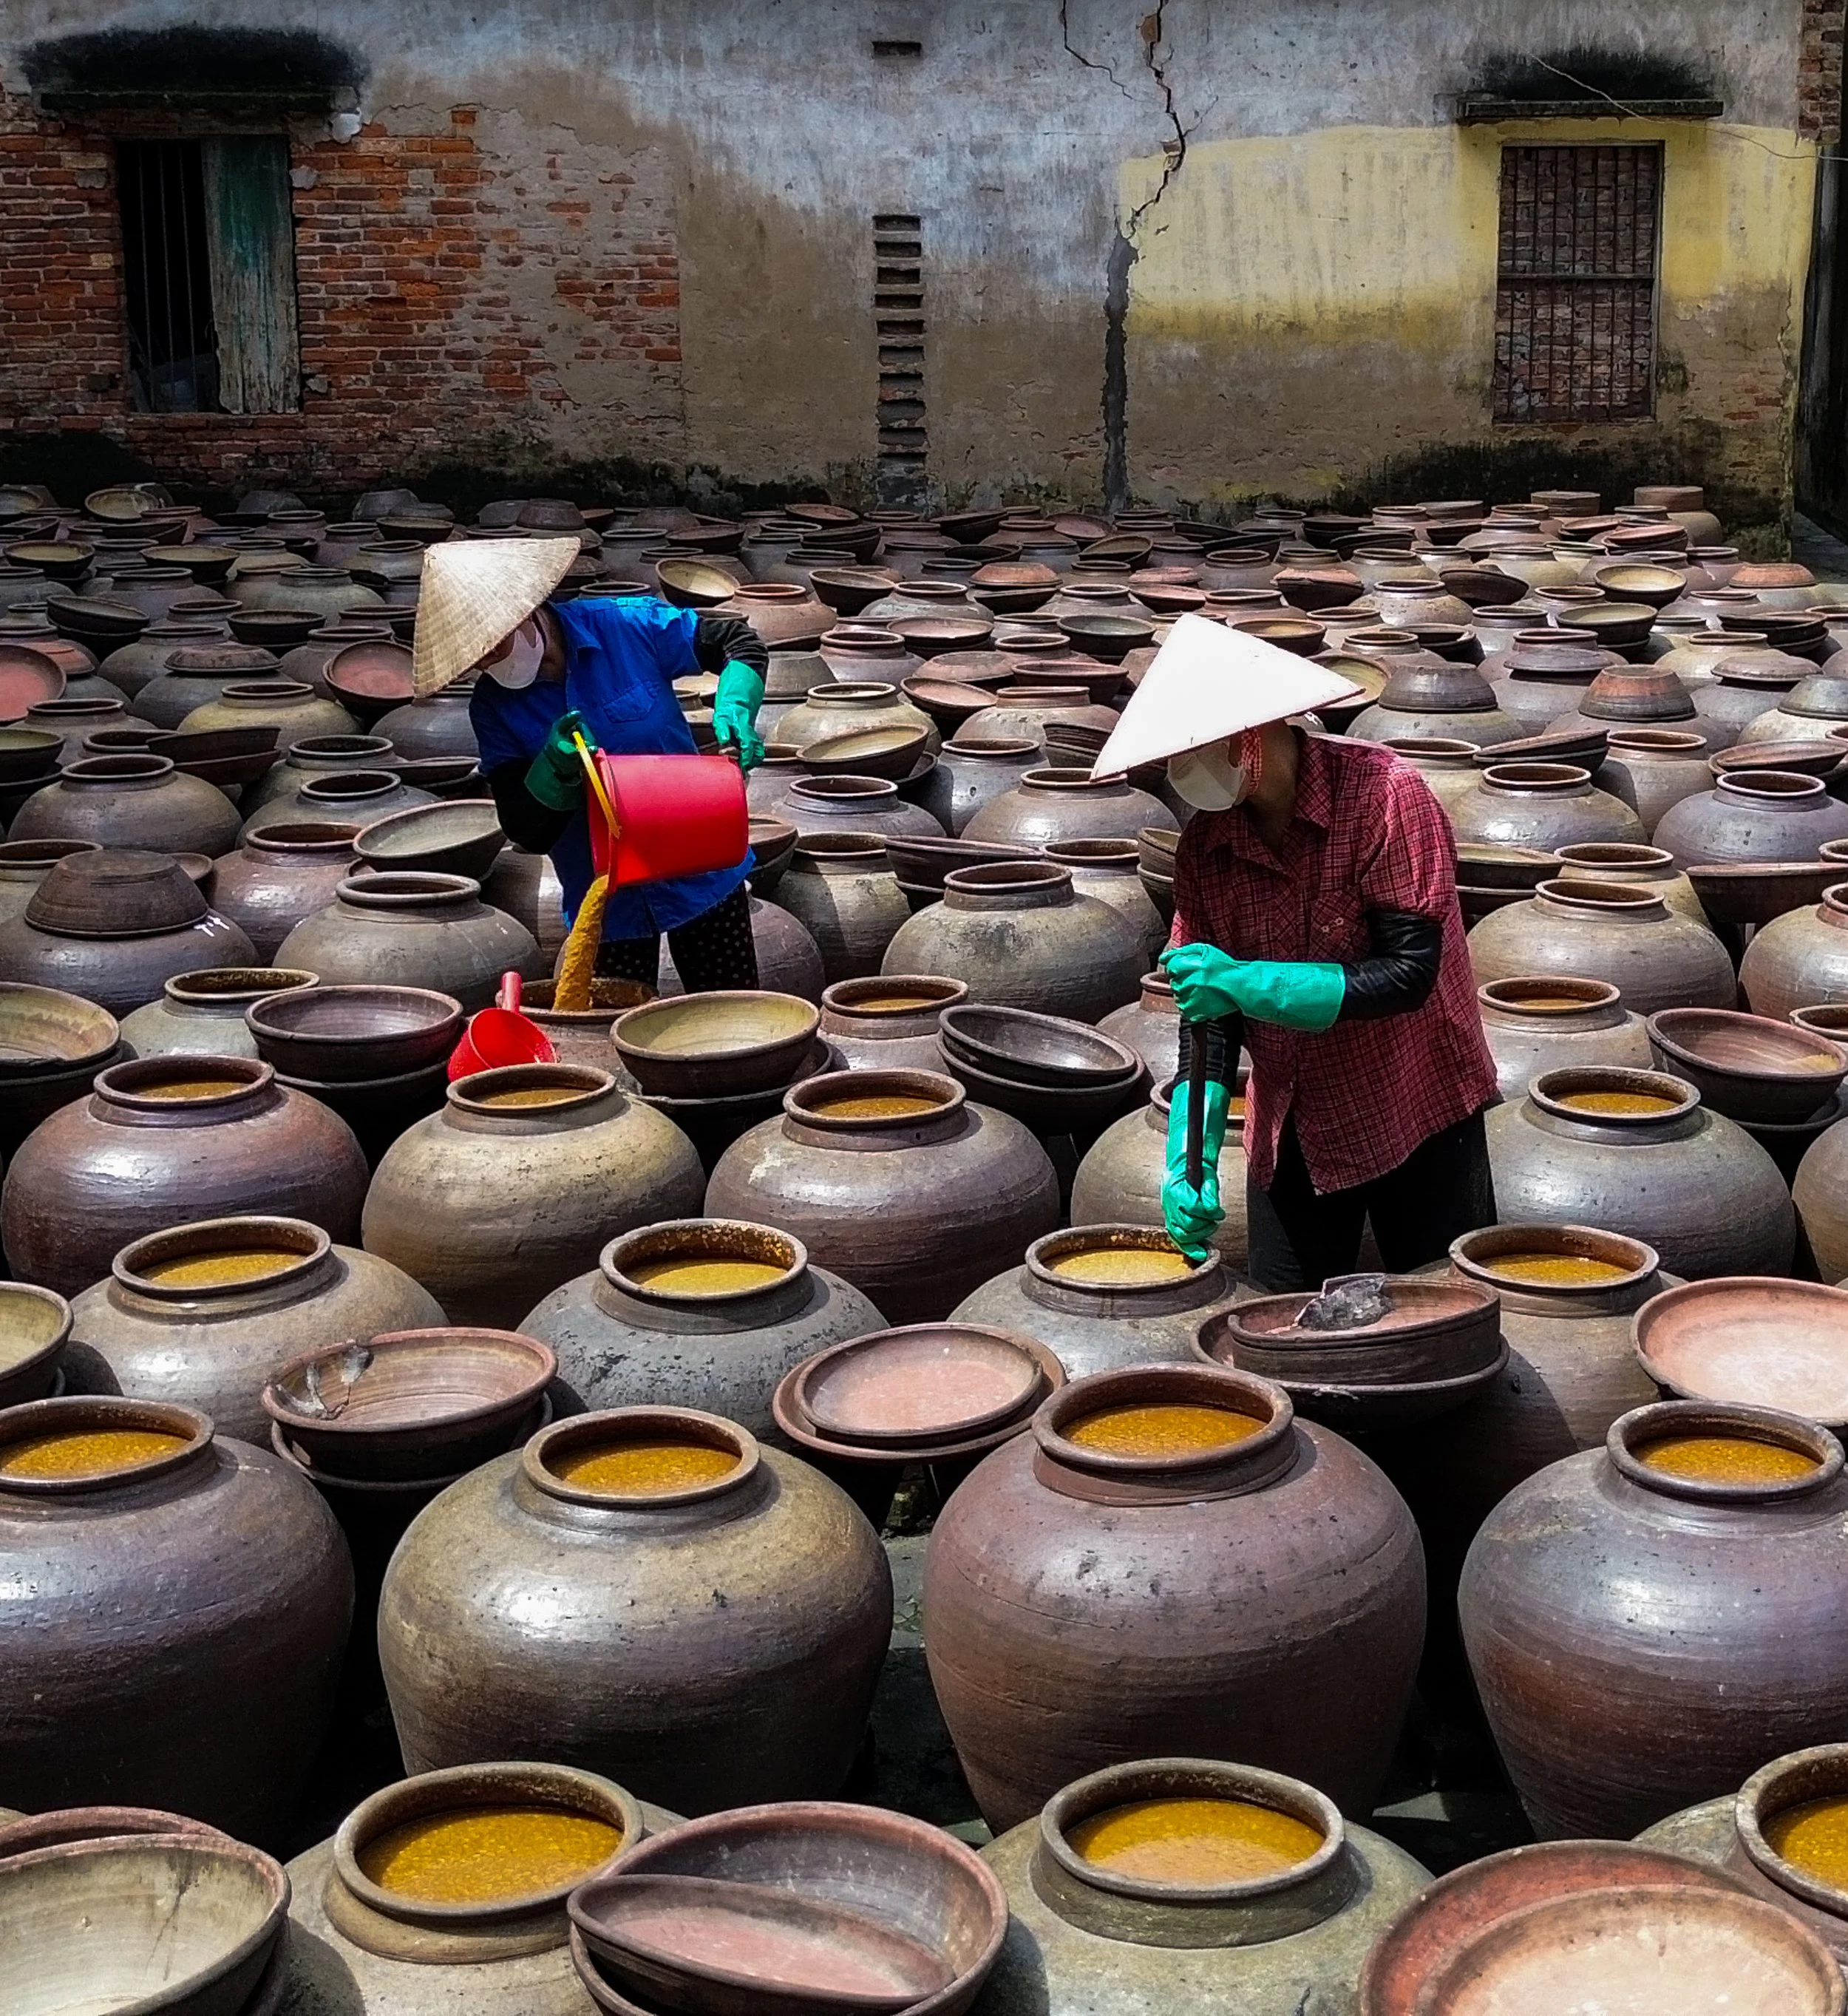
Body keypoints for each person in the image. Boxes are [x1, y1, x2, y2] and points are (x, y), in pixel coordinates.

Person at [1091, 614, 1500, 1292]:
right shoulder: (1206, 849)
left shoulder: (1385, 797)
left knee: (1444, 1305)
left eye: (1198, 747)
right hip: (1296, 1117)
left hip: (1416, 1099)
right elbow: (1208, 1008)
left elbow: (1408, 974)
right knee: (1281, 1316)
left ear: (1253, 734)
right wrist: (1187, 1152)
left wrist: (1249, 982)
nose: (1182, 769)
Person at [410, 537, 770, 991]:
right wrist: (551, 774)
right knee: (610, 1031)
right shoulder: (493, 707)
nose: (486, 663)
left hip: (699, 867)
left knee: (733, 1015)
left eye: (492, 647)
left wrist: (735, 708)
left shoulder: (623, 627)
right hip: (605, 894)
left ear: (526, 612)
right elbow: (524, 828)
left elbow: (737, 641)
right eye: (474, 660)